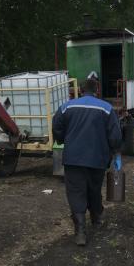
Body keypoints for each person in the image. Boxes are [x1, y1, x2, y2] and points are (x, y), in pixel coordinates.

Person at [52, 78, 122, 246]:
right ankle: (97, 219)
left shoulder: (67, 107)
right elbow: (115, 135)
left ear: (81, 90)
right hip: (98, 159)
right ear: (96, 90)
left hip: (73, 158)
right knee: (94, 189)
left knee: (76, 192)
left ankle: (81, 231)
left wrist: (61, 139)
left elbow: (57, 126)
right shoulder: (106, 108)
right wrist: (116, 153)